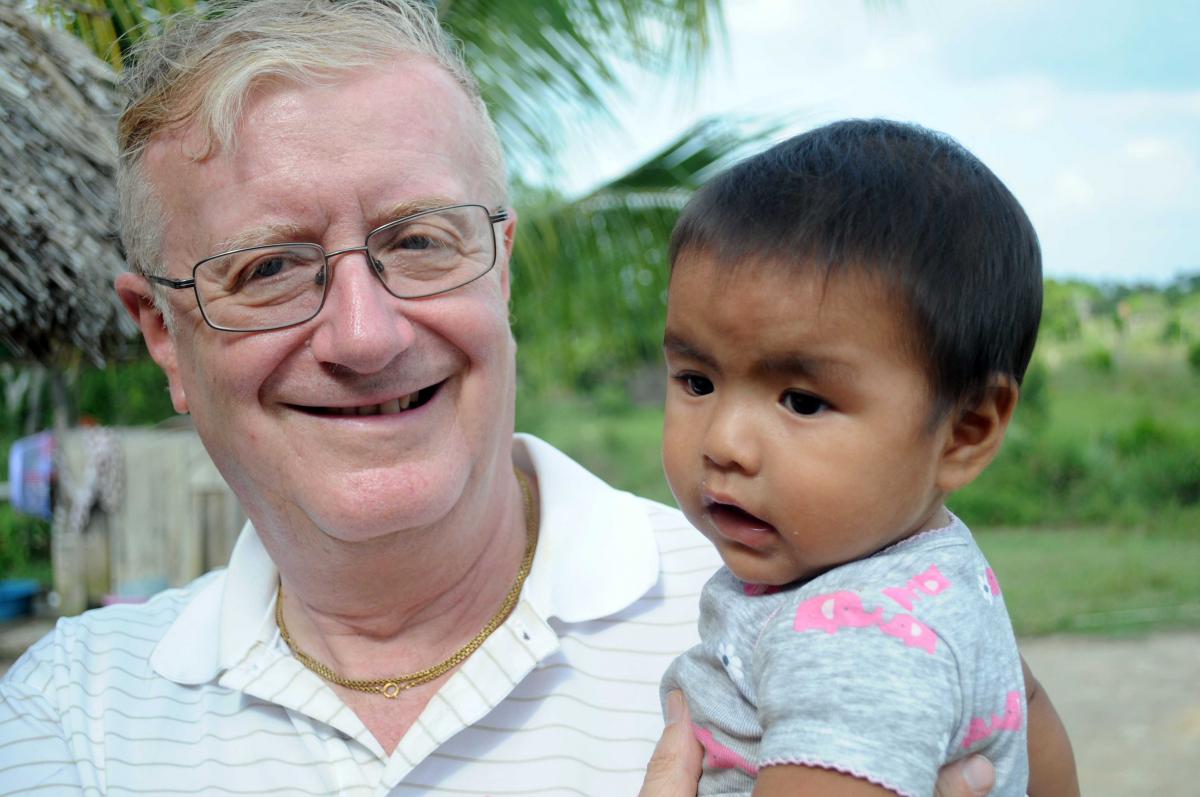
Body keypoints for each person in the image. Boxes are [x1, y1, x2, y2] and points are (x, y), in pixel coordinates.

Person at [0, 2, 1073, 795]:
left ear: (499, 268)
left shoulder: (818, 597)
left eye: (421, 241)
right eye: (268, 267)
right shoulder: (71, 715)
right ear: (162, 335)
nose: (366, 333)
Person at [657, 120, 1077, 797]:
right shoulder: (926, 572)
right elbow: (1024, 707)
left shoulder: (856, 641)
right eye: (697, 381)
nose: (723, 442)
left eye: (801, 400)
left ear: (965, 431)